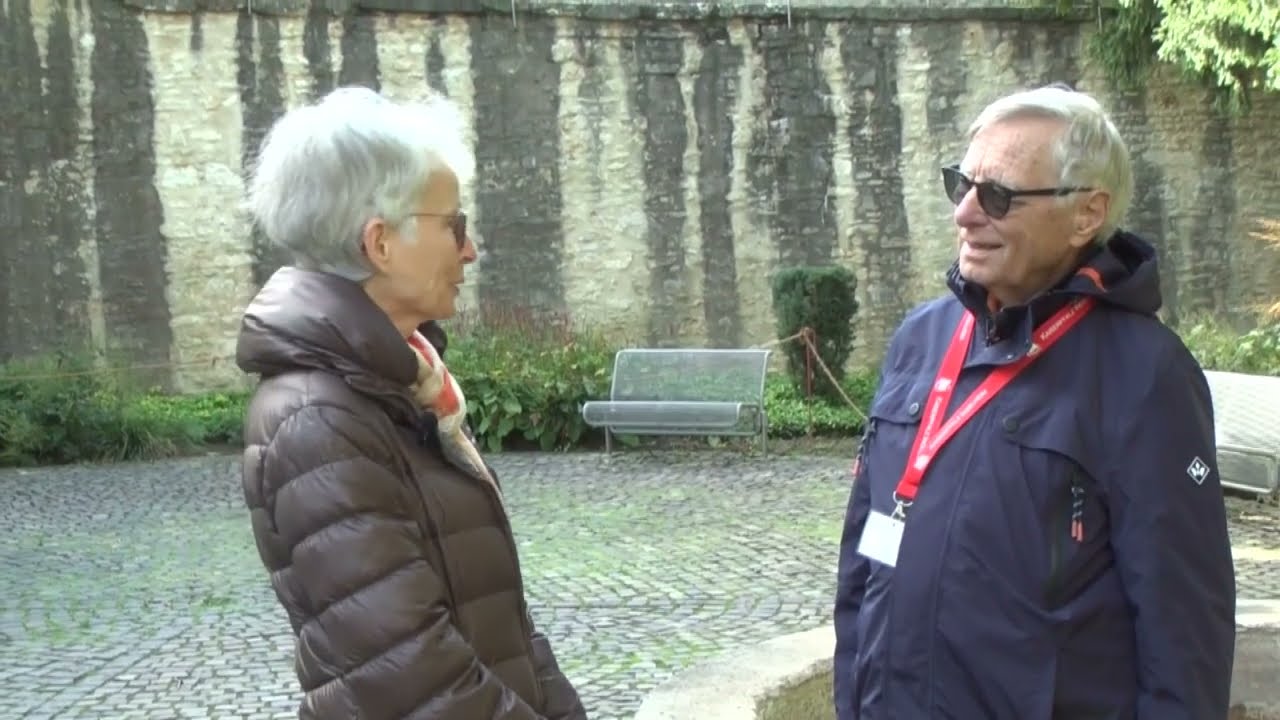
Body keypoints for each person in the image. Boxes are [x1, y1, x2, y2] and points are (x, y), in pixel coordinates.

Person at [833, 84, 1236, 719]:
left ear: (1086, 214)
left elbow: (1183, 635)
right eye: (961, 185)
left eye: (998, 195)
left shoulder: (1145, 375)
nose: (965, 214)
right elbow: (865, 557)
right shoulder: (920, 339)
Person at [235, 86, 587, 720]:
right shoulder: (319, 421)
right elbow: (413, 679)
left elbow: (499, 619)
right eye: (454, 225)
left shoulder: (401, 384)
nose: (470, 249)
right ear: (380, 243)